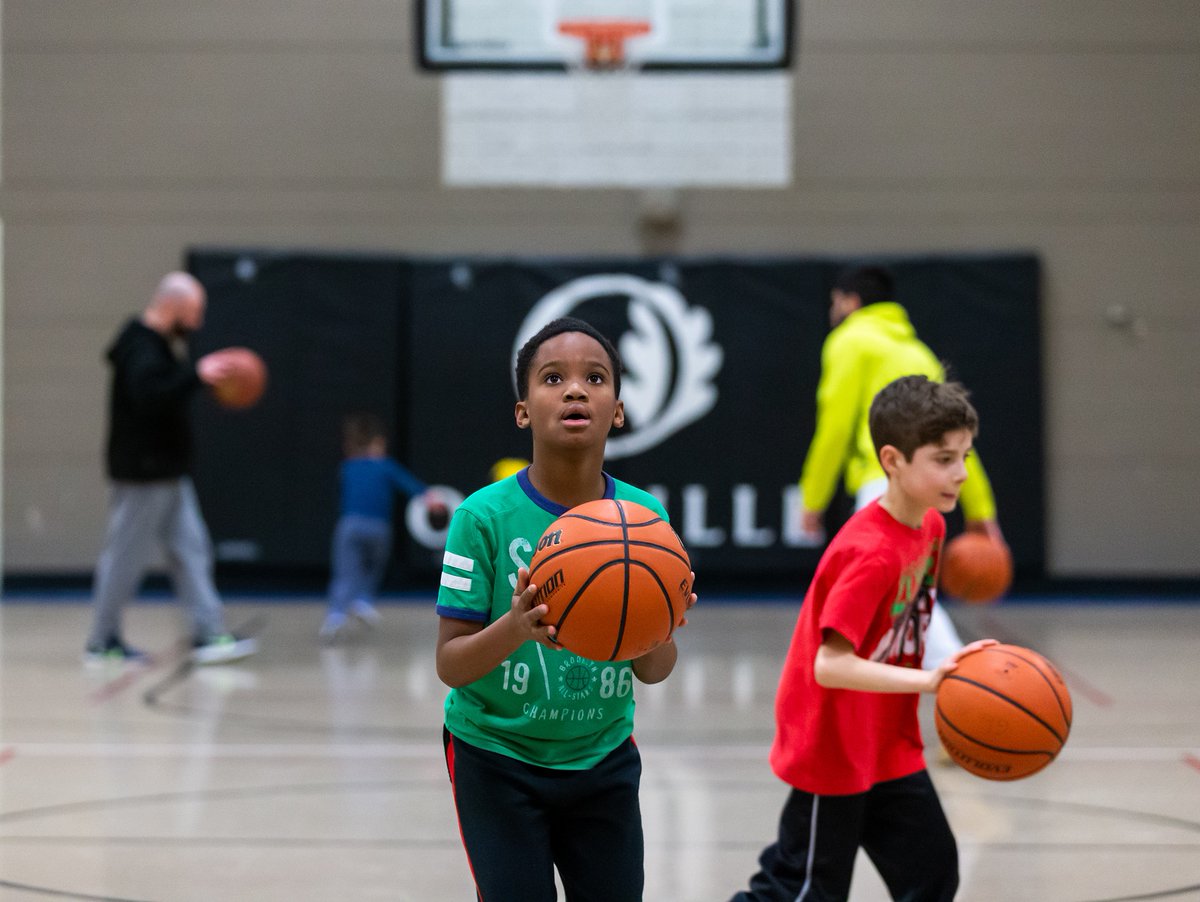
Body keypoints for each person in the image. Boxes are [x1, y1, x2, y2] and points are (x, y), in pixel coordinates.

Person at [435, 316, 697, 901]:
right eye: (553, 378)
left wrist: (662, 625)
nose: (576, 390)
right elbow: (450, 665)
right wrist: (517, 626)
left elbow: (653, 671)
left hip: (601, 758)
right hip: (495, 758)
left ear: (619, 410)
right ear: (523, 410)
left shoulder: (645, 520)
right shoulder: (480, 518)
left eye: (595, 378)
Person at [731, 375, 998, 902]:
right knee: (803, 891)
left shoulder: (932, 528)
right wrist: (930, 681)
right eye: (943, 459)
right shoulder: (869, 551)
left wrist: (960, 667)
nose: (961, 474)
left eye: (965, 457)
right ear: (892, 460)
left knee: (933, 871)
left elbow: (904, 625)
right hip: (832, 742)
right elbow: (830, 665)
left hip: (888, 740)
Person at [798, 264, 1004, 669]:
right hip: (927, 480)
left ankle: (959, 675)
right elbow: (958, 443)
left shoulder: (849, 340)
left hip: (887, 479)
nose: (832, 310)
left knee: (904, 593)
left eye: (835, 302)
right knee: (910, 588)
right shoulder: (918, 351)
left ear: (850, 301)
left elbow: (835, 427)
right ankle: (946, 674)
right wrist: (982, 511)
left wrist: (812, 497)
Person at [87, 271, 259, 666]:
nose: (198, 322)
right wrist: (195, 376)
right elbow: (149, 394)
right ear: (175, 305)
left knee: (191, 552)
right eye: (195, 312)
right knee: (124, 559)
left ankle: (209, 632)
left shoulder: (158, 347)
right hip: (143, 475)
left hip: (169, 472)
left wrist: (192, 377)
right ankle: (101, 640)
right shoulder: (140, 346)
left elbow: (165, 388)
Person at [320, 411, 447, 642]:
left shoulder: (347, 467)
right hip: (379, 529)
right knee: (373, 567)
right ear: (377, 443)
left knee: (345, 573)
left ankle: (335, 616)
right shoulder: (386, 466)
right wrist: (432, 500)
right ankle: (363, 600)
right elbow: (410, 486)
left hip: (349, 526)